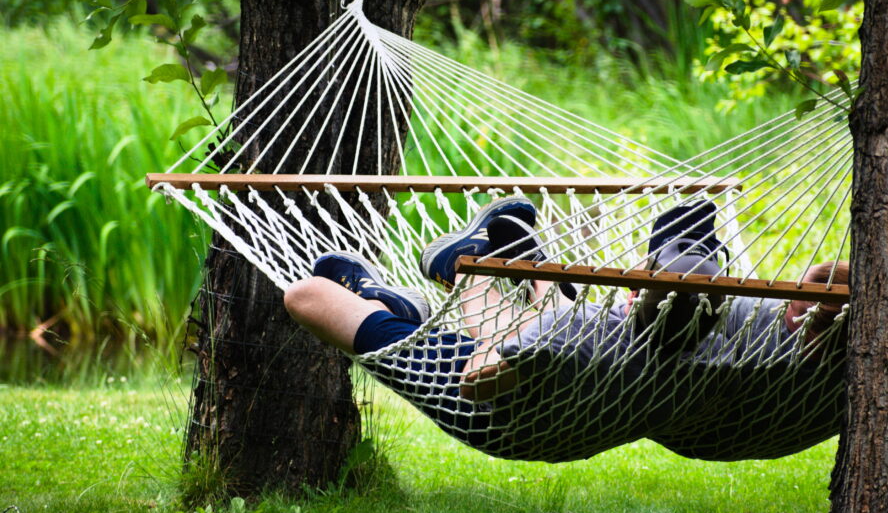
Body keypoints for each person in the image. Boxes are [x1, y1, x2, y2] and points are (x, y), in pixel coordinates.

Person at [283, 197, 849, 462]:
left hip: (510, 417)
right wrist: (823, 298)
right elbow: (816, 318)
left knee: (304, 293)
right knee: (545, 328)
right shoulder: (781, 347)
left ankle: (465, 268)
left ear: (633, 294)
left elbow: (473, 381)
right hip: (732, 418)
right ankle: (465, 275)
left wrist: (521, 348)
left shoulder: (580, 332)